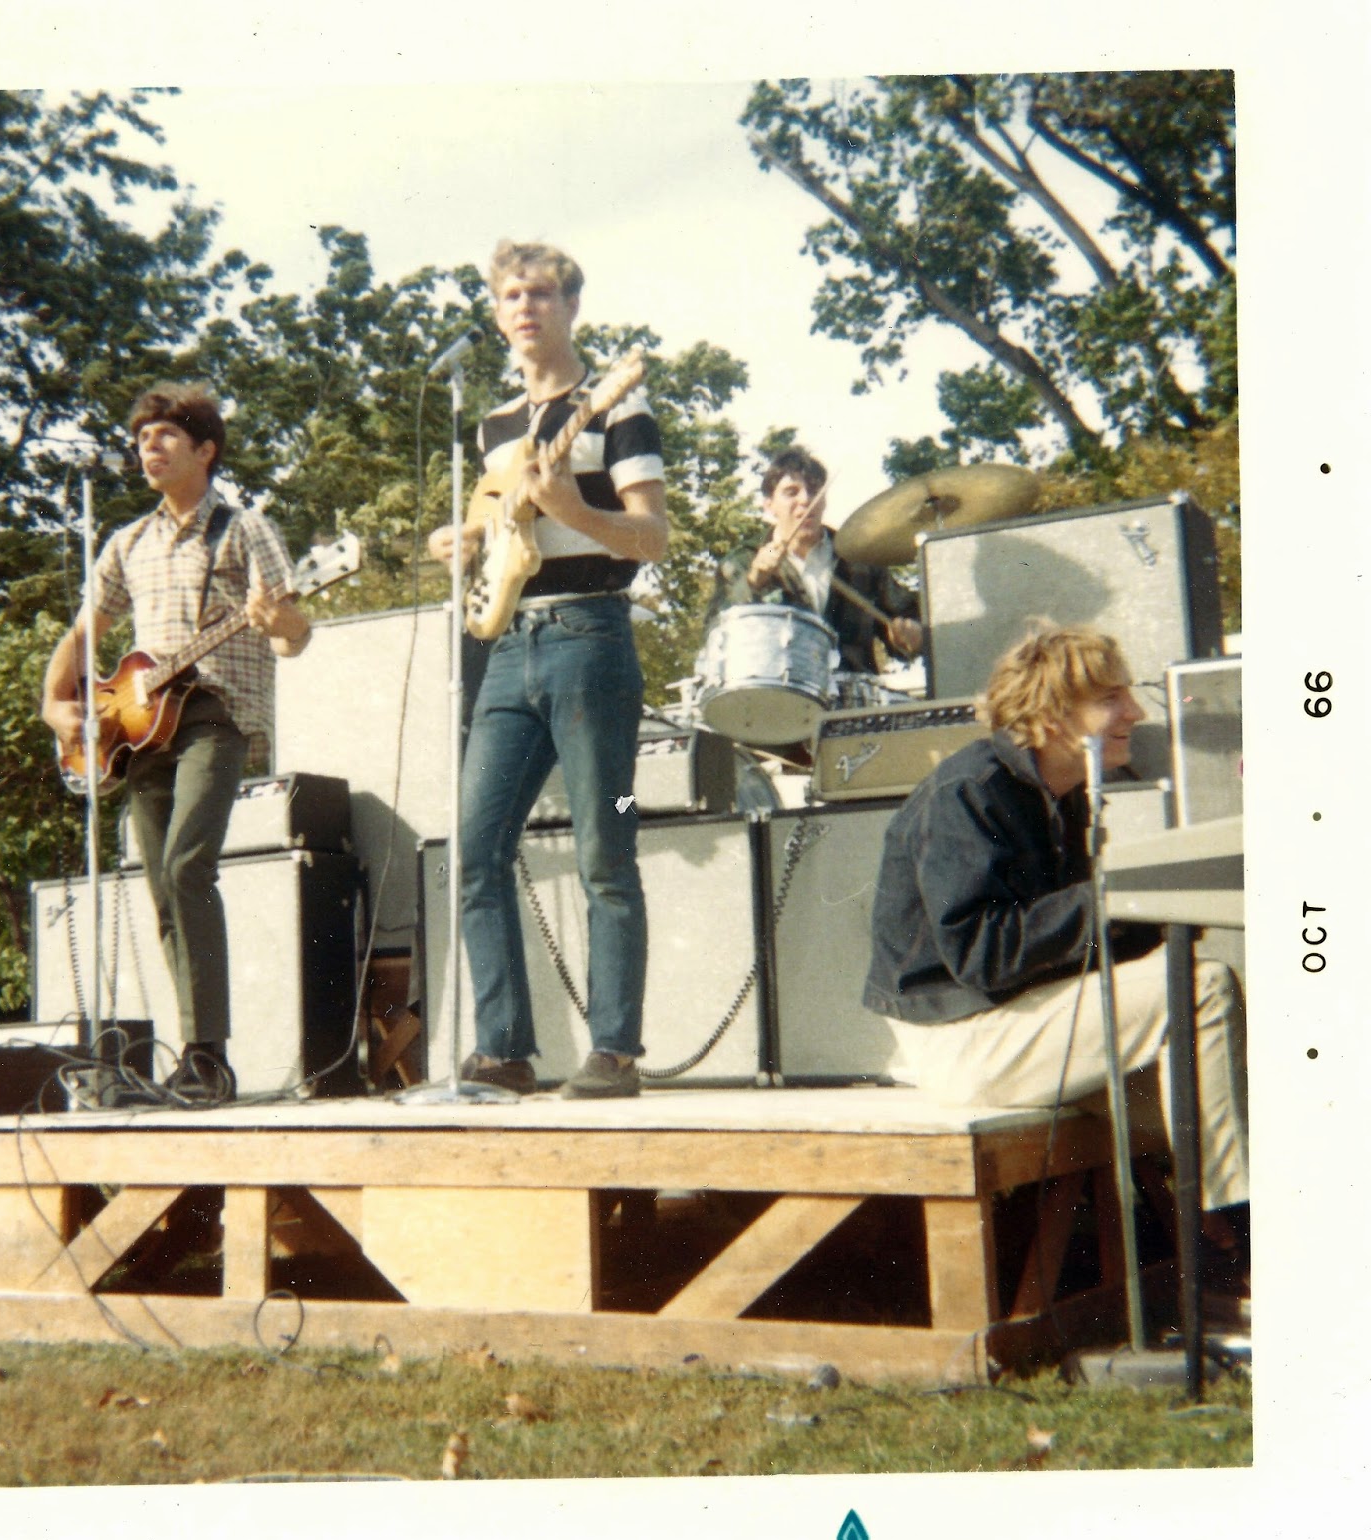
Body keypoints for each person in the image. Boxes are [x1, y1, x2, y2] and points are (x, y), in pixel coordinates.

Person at [863, 623, 1249, 1270]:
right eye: (1112, 698)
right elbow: (982, 954)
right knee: (1201, 986)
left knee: (1238, 1070)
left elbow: (1073, 939)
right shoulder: (970, 794)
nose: (1136, 712)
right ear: (1051, 713)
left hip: (1017, 1023)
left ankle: (1219, 1242)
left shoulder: (1056, 797)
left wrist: (1160, 912)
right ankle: (1243, 1231)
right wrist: (1114, 900)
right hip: (964, 1039)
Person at [428, 240, 667, 1099]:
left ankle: (615, 1051)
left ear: (571, 306)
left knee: (607, 844)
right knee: (475, 848)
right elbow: (497, 524)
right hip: (507, 648)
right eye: (511, 295)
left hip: (591, 639)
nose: (525, 307)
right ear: (497, 314)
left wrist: (573, 507)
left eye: (540, 293)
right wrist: (463, 541)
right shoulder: (493, 426)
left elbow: (653, 537)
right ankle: (504, 1050)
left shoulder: (618, 405)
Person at [41, 382, 312, 1102]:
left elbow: (295, 633)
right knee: (162, 884)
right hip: (139, 730)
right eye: (141, 439)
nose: (148, 448)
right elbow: (84, 634)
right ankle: (194, 1055)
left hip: (215, 715)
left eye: (164, 436)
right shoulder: (127, 542)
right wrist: (55, 704)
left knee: (188, 864)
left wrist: (277, 620)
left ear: (205, 450)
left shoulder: (245, 528)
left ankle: (208, 1057)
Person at [709, 446, 922, 675]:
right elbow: (715, 634)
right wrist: (754, 580)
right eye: (791, 492)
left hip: (852, 690)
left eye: (813, 491)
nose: (805, 499)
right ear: (769, 505)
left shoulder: (858, 558)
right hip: (778, 691)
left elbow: (908, 617)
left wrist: (912, 635)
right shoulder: (742, 561)